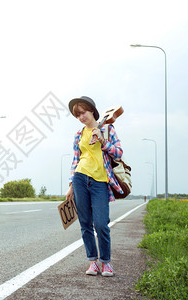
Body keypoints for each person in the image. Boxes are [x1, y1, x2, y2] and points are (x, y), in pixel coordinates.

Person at [65, 96, 124, 277]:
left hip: (100, 181)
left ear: (92, 110)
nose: (81, 117)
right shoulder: (78, 135)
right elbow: (76, 160)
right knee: (85, 223)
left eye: (83, 112)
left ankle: (106, 262)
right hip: (80, 179)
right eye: (77, 115)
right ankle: (93, 262)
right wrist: (70, 185)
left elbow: (119, 152)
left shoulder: (107, 129)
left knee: (101, 224)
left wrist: (103, 142)